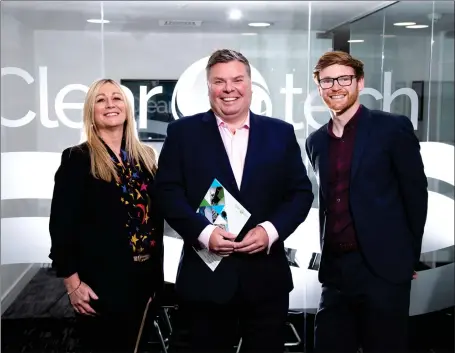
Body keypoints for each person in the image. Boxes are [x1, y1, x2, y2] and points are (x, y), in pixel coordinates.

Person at [155, 49, 314, 353]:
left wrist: (270, 230)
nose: (229, 89)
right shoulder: (182, 134)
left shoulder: (280, 133)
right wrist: (204, 233)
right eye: (219, 82)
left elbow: (300, 193)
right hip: (206, 281)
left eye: (237, 80)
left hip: (266, 282)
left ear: (250, 85)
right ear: (209, 88)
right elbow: (167, 193)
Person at [305, 51, 428, 353]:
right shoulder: (316, 142)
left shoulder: (392, 129)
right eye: (327, 81)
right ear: (319, 87)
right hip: (336, 273)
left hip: (382, 270)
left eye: (344, 79)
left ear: (360, 82)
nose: (336, 87)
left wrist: (408, 257)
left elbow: (415, 195)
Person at [49, 78, 164, 352]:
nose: (110, 104)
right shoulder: (77, 158)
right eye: (101, 99)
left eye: (117, 97)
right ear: (91, 111)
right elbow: (61, 226)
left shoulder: (146, 157)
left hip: (146, 278)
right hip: (102, 283)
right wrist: (72, 284)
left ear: (127, 108)